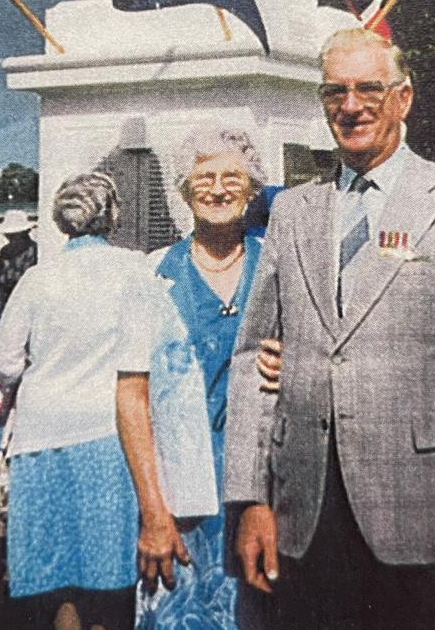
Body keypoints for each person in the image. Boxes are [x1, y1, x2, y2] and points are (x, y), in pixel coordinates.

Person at [225, 28, 435, 630]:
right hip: (305, 516)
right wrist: (251, 499)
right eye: (336, 91)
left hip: (425, 516)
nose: (352, 106)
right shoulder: (292, 210)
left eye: (369, 89)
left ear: (403, 99)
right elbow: (254, 354)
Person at [0, 171, 188, 630]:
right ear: (113, 216)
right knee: (105, 572)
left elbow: (3, 362)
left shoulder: (38, 279)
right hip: (109, 433)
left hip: (41, 436)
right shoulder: (135, 269)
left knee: (60, 576)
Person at [140, 127, 271, 630]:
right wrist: (153, 509)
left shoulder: (279, 264)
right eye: (205, 178)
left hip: (262, 487)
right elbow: (133, 397)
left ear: (253, 188)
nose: (218, 189)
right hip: (179, 488)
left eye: (232, 177)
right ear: (185, 190)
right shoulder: (155, 273)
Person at [0, 208, 38, 331]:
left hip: (28, 304)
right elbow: (0, 287)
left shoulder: (35, 251)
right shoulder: (5, 252)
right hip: (8, 304)